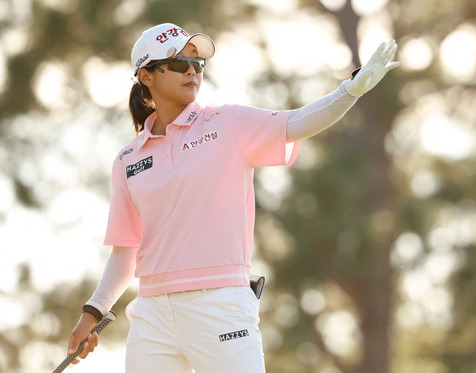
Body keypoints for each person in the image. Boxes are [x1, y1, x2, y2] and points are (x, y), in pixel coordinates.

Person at [65, 22, 399, 373]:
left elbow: (298, 121)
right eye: (179, 64)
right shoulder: (128, 159)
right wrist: (93, 313)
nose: (192, 72)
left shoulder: (227, 123)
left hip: (221, 304)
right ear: (146, 76)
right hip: (152, 315)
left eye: (198, 65)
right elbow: (126, 249)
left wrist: (350, 91)